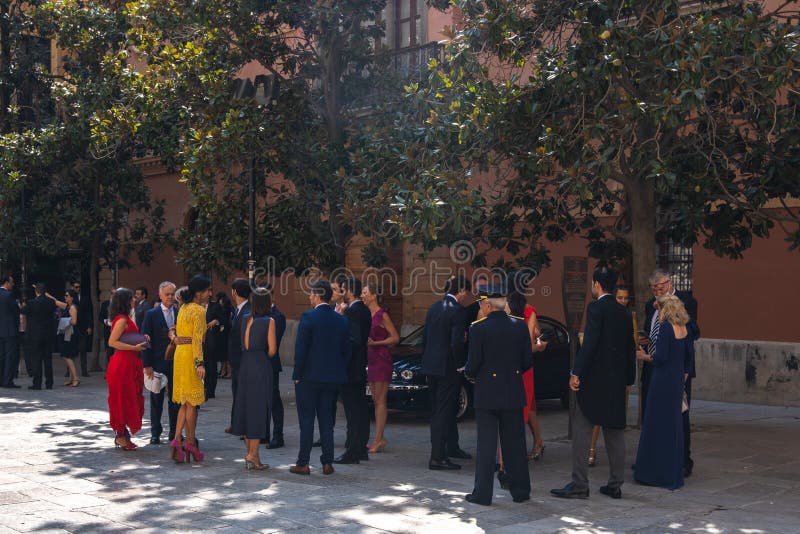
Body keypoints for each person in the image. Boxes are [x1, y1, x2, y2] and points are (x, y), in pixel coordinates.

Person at [551, 266, 635, 500]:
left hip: (595, 380)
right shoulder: (624, 312)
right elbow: (630, 346)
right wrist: (629, 377)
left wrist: (576, 371)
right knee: (615, 432)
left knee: (582, 429)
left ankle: (580, 483)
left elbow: (590, 342)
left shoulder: (596, 308)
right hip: (616, 381)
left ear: (596, 284)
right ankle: (615, 484)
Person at [464, 286, 533, 506]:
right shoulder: (520, 326)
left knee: (486, 445)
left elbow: (473, 363)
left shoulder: (478, 328)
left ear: (487, 305)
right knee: (515, 444)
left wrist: (470, 374)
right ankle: (521, 491)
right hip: (513, 390)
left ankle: (482, 494)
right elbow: (527, 361)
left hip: (487, 392)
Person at [641, 269, 699, 477]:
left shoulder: (686, 301)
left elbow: (692, 334)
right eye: (654, 288)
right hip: (653, 367)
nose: (658, 291)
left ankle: (683, 460)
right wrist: (646, 340)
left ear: (670, 283)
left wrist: (687, 368)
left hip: (676, 368)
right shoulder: (650, 305)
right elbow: (651, 330)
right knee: (652, 413)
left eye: (661, 287)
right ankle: (653, 458)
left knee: (679, 415)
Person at [290, 281, 351, 476]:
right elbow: (347, 350)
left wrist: (297, 374)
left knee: (307, 421)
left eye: (310, 294)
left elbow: (301, 349)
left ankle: (303, 463)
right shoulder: (341, 320)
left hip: (309, 377)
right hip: (332, 378)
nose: (309, 297)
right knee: (327, 421)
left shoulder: (308, 317)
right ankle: (327, 462)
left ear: (317, 295)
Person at [634, 295, 694, 489]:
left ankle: (654, 473)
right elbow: (688, 358)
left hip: (662, 380)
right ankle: (672, 472)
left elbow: (659, 357)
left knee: (655, 424)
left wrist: (643, 356)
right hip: (676, 381)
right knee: (672, 426)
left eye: (659, 308)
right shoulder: (684, 328)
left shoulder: (666, 327)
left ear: (665, 309)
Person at [421, 274, 472, 470]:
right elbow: (456, 342)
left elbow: (425, 338)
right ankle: (437, 457)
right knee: (443, 411)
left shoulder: (434, 307)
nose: (465, 296)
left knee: (442, 409)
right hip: (448, 367)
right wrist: (461, 365)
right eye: (465, 292)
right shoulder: (458, 311)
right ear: (460, 290)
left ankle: (451, 447)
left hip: (431, 366)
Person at [231, 287, 277, 469]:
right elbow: (272, 350)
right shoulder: (269, 321)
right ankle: (252, 454)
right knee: (259, 409)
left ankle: (253, 456)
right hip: (260, 365)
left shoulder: (244, 318)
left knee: (246, 408)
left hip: (245, 365)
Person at [589, 284, 632, 467]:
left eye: (626, 298)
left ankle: (615, 463)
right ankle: (591, 449)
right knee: (597, 416)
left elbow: (630, 345)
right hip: (604, 372)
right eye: (620, 297)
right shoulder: (603, 312)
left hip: (618, 373)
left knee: (615, 420)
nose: (623, 301)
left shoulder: (627, 316)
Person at [171, 275, 212, 463]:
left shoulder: (183, 308)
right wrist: (199, 363)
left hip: (180, 354)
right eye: (208, 290)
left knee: (184, 402)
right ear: (199, 292)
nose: (210, 294)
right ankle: (189, 443)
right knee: (192, 403)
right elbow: (197, 340)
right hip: (190, 356)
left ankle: (177, 441)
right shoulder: (199, 310)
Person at [333, 277, 372, 464]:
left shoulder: (353, 311)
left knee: (353, 410)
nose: (342, 293)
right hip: (358, 366)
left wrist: (341, 319)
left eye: (343, 289)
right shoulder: (363, 309)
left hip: (351, 368)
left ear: (349, 291)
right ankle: (360, 448)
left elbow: (353, 339)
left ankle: (353, 450)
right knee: (360, 409)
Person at [506, 290, 548, 463]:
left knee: (523, 407)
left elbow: (530, 344)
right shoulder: (519, 312)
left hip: (522, 368)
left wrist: (539, 345)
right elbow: (536, 337)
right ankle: (538, 442)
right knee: (529, 407)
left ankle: (515, 451)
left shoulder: (528, 312)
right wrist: (539, 344)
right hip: (517, 366)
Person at [106, 287, 148, 450]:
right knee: (122, 399)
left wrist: (142, 339)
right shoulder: (122, 319)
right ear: (125, 301)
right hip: (123, 364)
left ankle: (123, 435)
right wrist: (134, 348)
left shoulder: (124, 318)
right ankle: (121, 436)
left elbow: (127, 338)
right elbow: (112, 342)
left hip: (129, 363)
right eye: (131, 298)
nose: (134, 300)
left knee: (128, 398)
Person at [360, 283, 399, 454]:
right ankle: (379, 438)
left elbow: (395, 338)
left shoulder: (382, 314)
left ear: (373, 295)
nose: (362, 295)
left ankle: (378, 439)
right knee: (376, 400)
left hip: (382, 360)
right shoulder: (366, 313)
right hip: (371, 359)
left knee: (381, 401)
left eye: (365, 293)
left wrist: (376, 343)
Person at [140, 281, 180, 445]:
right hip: (157, 362)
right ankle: (155, 433)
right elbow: (145, 340)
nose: (170, 297)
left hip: (176, 362)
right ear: (160, 295)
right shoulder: (151, 314)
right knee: (156, 399)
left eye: (172, 294)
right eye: (167, 294)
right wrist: (147, 364)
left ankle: (174, 432)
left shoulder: (179, 312)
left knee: (175, 400)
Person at [226, 278, 251, 434]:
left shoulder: (248, 310)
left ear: (234, 291)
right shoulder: (239, 310)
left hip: (243, 360)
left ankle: (243, 426)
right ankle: (236, 423)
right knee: (236, 392)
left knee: (242, 393)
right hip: (236, 361)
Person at [20, 283, 56, 390]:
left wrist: (24, 304)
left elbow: (23, 311)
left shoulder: (32, 303)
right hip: (48, 334)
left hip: (36, 335)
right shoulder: (51, 302)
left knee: (37, 359)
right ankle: (49, 383)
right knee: (48, 359)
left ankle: (37, 383)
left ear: (36, 291)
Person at [263, 285, 286, 449]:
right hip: (259, 363)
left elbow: (273, 341)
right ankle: (264, 433)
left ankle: (278, 435)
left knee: (273, 400)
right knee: (262, 400)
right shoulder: (258, 314)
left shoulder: (278, 316)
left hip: (270, 363)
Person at [203, 291, 228, 400]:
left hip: (210, 340)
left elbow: (224, 319)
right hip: (197, 341)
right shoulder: (194, 306)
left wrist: (216, 321)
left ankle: (210, 390)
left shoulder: (215, 306)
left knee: (211, 366)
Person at [0, 274, 21, 389]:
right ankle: (7, 380)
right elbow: (16, 311)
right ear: (7, 282)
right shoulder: (9, 295)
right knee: (9, 356)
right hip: (9, 330)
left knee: (1, 355)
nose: (13, 284)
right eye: (12, 282)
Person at [57, 290, 80, 387]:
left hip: (70, 334)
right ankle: (71, 378)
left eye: (67, 296)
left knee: (66, 355)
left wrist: (63, 321)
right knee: (70, 356)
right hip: (68, 333)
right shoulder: (68, 306)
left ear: (72, 298)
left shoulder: (72, 307)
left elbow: (74, 321)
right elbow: (56, 301)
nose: (65, 297)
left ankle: (75, 378)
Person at [72, 280, 93, 377]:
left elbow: (88, 313)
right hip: (73, 327)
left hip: (82, 328)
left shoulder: (84, 299)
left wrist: (89, 326)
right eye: (76, 287)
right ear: (73, 288)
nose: (78, 289)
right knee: (71, 350)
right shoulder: (70, 299)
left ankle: (84, 371)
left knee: (83, 350)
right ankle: (69, 370)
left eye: (79, 287)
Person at [216, 292, 233, 379]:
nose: (219, 302)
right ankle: (224, 371)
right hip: (225, 335)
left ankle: (228, 371)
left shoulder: (225, 312)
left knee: (226, 355)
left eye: (221, 301)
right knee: (224, 355)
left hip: (225, 335)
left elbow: (224, 324)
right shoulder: (229, 310)